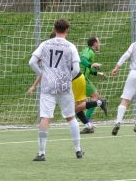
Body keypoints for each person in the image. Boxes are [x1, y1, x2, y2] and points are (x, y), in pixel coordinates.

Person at [28, 19, 83, 161]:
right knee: (70, 117)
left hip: (48, 86)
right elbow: (76, 69)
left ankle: (41, 153)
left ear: (54, 29)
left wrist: (42, 73)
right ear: (67, 29)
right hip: (64, 86)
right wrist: (68, 78)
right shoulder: (71, 46)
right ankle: (78, 150)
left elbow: (32, 62)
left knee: (45, 117)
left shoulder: (45, 44)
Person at [27, 33, 106, 130]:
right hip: (77, 78)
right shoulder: (62, 51)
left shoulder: (53, 54)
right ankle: (88, 124)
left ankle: (98, 103)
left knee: (73, 109)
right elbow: (44, 72)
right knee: (76, 107)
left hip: (75, 80)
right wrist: (34, 86)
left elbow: (43, 70)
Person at [79, 37, 108, 134]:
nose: (99, 44)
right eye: (98, 42)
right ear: (94, 43)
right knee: (95, 97)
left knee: (81, 103)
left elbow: (88, 68)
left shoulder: (90, 51)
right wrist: (91, 65)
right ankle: (88, 123)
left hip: (82, 78)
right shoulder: (89, 51)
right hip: (81, 78)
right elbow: (83, 60)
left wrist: (98, 73)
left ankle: (88, 123)